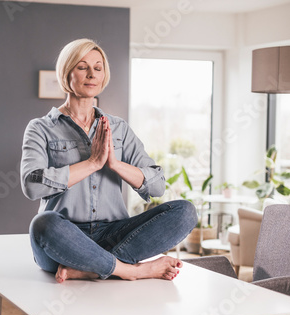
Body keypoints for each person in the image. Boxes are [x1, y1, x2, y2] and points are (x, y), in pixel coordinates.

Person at [20, 38, 197, 283]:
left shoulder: (118, 128)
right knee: (42, 224)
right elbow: (32, 185)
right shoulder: (40, 128)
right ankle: (132, 271)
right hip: (64, 238)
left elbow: (157, 186)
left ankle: (91, 269)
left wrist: (116, 164)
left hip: (114, 233)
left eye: (98, 67)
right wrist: (92, 163)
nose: (92, 74)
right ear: (66, 73)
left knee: (185, 212)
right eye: (82, 67)